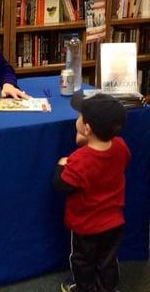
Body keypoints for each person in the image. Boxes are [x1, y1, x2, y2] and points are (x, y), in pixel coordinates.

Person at [54, 92, 130, 292]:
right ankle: (108, 288)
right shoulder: (121, 147)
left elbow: (63, 185)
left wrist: (62, 165)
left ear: (87, 128)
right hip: (114, 223)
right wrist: (88, 141)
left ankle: (83, 287)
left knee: (82, 261)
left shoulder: (78, 160)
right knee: (108, 260)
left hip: (86, 226)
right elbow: (109, 160)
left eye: (80, 116)